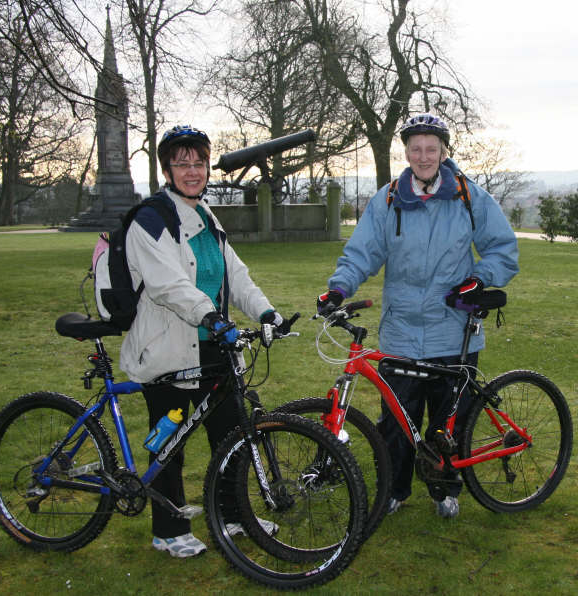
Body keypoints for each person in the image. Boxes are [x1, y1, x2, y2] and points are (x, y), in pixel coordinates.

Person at [317, 113, 519, 518]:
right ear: (406, 151)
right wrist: (340, 286)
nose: (424, 156)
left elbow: (502, 248)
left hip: (454, 328)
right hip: (403, 331)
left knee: (449, 421)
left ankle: (445, 490)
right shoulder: (388, 199)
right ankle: (395, 490)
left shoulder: (468, 196)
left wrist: (480, 279)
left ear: (443, 151)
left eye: (431, 148)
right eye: (416, 149)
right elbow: (363, 252)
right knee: (396, 421)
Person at [120, 124, 286, 557]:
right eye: (182, 163)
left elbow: (236, 276)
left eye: (198, 162)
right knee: (170, 439)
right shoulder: (151, 219)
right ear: (167, 169)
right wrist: (210, 316)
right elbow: (168, 285)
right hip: (168, 348)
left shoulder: (206, 215)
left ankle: (233, 517)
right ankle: (168, 530)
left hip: (213, 346)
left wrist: (266, 311)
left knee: (230, 435)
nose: (192, 171)